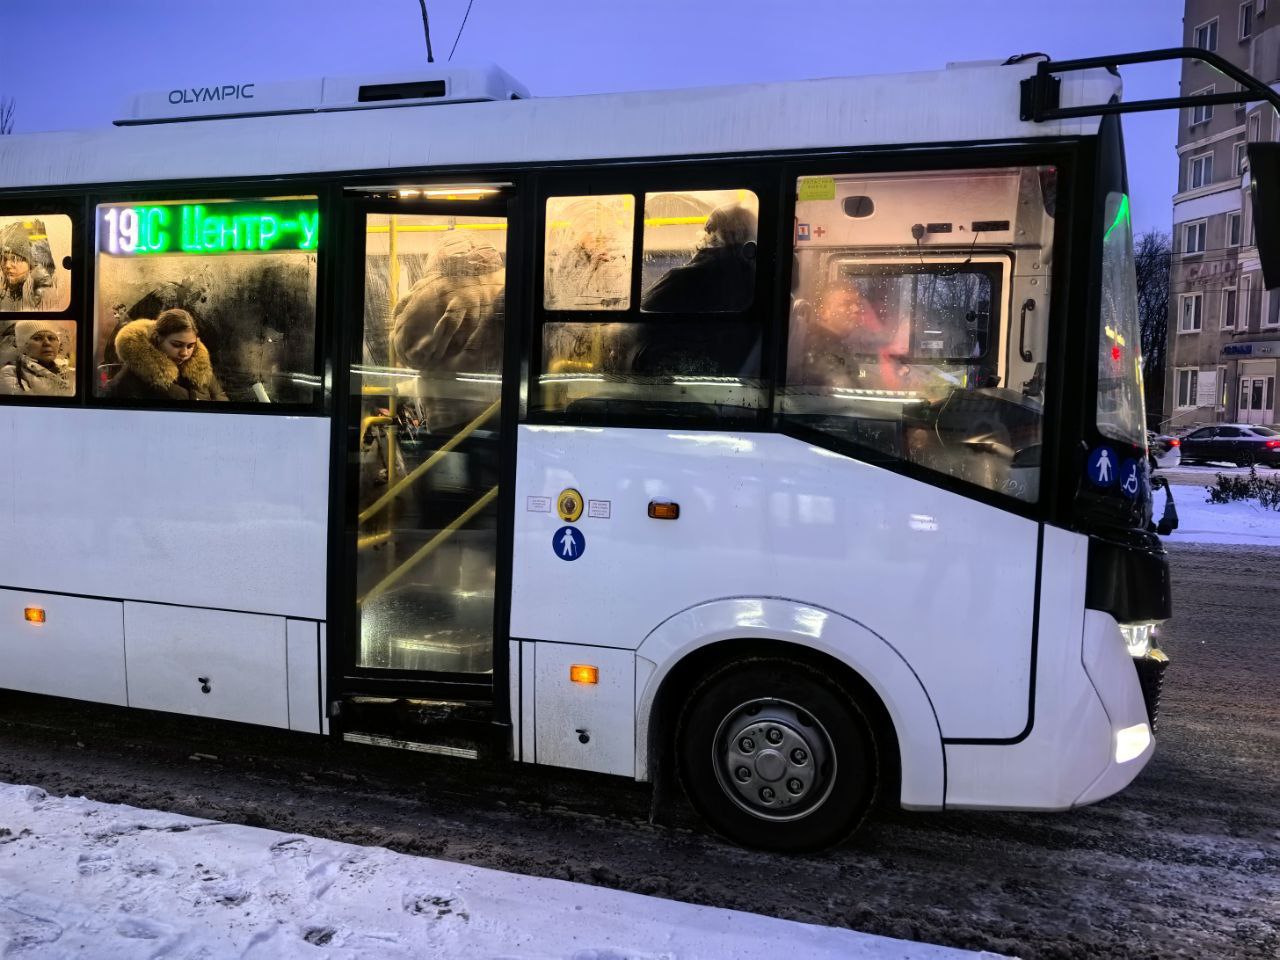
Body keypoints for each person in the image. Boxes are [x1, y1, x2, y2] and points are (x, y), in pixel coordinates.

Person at [640, 203, 757, 313]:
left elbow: (643, 313)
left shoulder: (682, 278)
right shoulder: (751, 280)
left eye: (708, 226)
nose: (702, 232)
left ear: (711, 231)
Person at [103, 308, 228, 401]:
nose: (184, 353)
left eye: (190, 346)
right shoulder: (129, 379)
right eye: (176, 345)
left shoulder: (201, 366)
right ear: (158, 339)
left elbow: (220, 397)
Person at [0, 320, 74, 396]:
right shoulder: (11, 372)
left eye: (51, 338)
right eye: (37, 338)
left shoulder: (67, 373)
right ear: (23, 345)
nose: (47, 343)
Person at [0, 223, 53, 311]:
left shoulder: (46, 297)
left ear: (32, 264)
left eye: (15, 259)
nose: (7, 265)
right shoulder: (5, 292)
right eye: (4, 259)